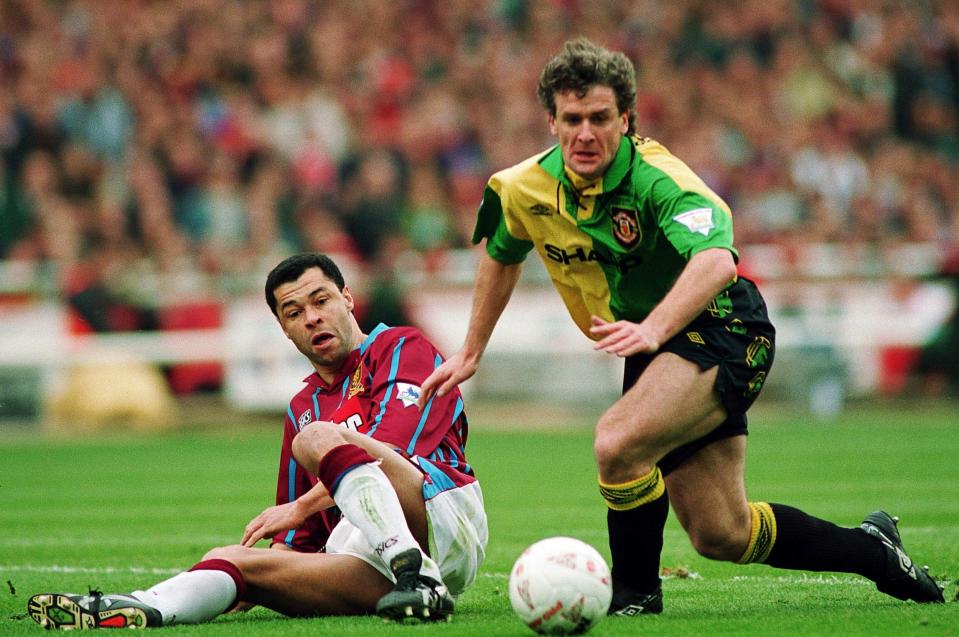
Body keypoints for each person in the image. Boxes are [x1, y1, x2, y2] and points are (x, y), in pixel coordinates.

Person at [419, 37, 944, 615]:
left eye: (600, 118)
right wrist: (471, 350)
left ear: (627, 118)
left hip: (724, 326)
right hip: (658, 341)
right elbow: (502, 249)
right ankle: (872, 550)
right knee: (723, 532)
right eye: (572, 119)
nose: (585, 133)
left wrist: (652, 328)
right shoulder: (524, 187)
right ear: (551, 120)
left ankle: (634, 596)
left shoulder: (658, 178)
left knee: (617, 443)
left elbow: (718, 260)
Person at [28, 252, 488, 629]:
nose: (311, 318)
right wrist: (256, 578)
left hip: (439, 515)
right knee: (231, 560)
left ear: (347, 299)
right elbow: (297, 542)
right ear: (284, 329)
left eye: (321, 300)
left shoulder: (401, 348)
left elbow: (394, 457)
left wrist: (301, 505)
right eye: (294, 312)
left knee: (318, 440)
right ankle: (133, 606)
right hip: (369, 558)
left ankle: (418, 573)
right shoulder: (302, 407)